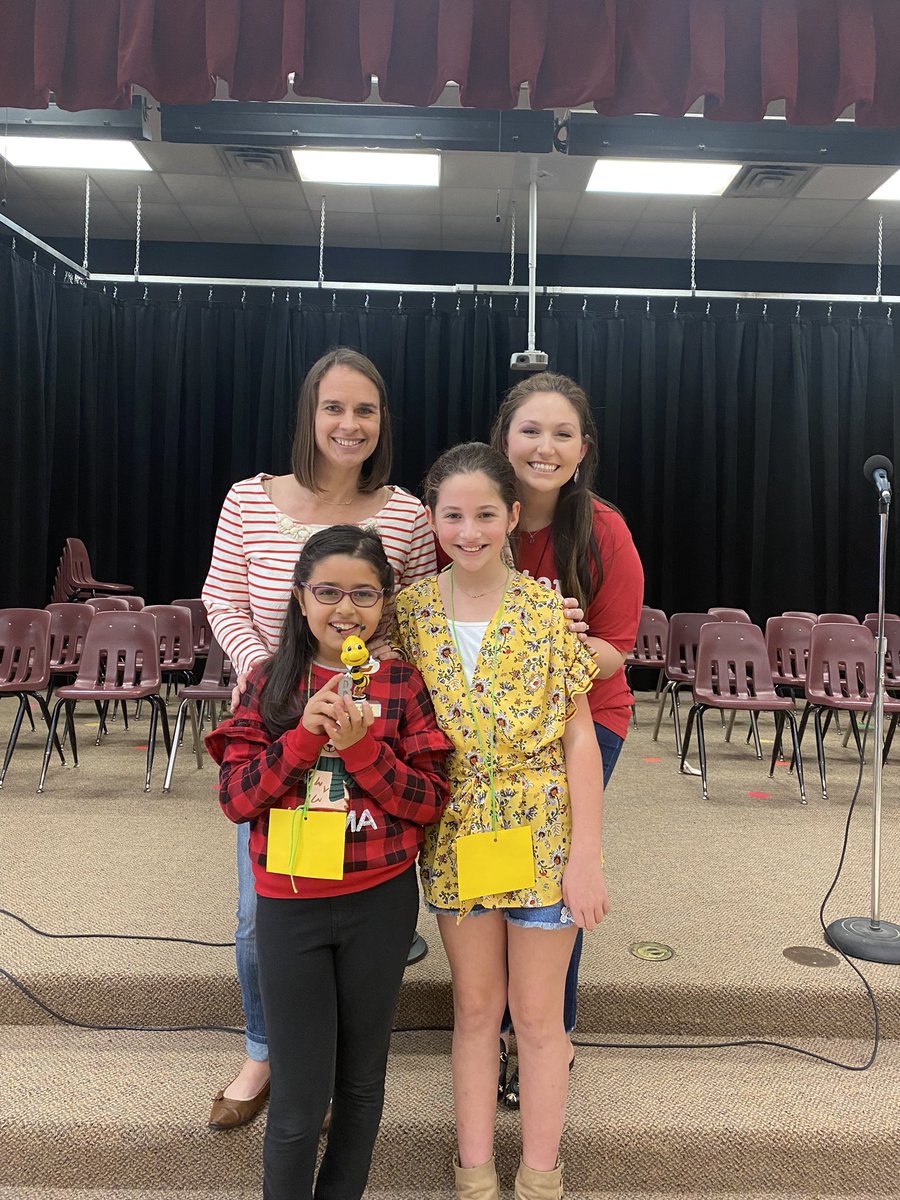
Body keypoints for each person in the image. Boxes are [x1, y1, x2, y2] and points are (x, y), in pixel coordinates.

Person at [202, 347, 436, 1130]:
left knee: (358, 903)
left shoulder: (405, 513)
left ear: (381, 423)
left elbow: (413, 621)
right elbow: (222, 598)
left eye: (365, 410)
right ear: (310, 414)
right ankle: (267, 1049)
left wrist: (369, 707)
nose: (349, 423)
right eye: (334, 407)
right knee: (255, 911)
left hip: (367, 731)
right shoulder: (248, 498)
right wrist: (267, 673)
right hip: (277, 728)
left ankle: (333, 1065)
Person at [207, 525, 451, 1200]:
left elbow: (429, 800)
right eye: (329, 592)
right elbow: (235, 798)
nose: (346, 609)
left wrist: (367, 749)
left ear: (386, 601)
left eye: (365, 594)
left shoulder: (402, 683)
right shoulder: (268, 681)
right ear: (300, 597)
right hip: (290, 906)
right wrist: (302, 739)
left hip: (380, 902)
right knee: (297, 1093)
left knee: (361, 1082)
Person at [393, 442, 609, 1200]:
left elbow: (580, 734)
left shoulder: (548, 609)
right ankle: (476, 1172)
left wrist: (589, 854)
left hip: (543, 831)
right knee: (477, 1008)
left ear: (513, 516)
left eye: (487, 512)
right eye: (452, 514)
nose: (470, 529)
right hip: (456, 836)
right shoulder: (408, 613)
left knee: (538, 1016)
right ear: (432, 519)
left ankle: (541, 1175)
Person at [490, 371, 644, 1109]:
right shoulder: (475, 514)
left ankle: (547, 1034)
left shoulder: (604, 528)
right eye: (530, 430)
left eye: (562, 434)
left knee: (552, 880)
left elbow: (618, 648)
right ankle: (494, 1028)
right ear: (504, 440)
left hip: (588, 719)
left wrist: (563, 648)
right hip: (491, 728)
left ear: (583, 449)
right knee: (493, 870)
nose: (544, 447)